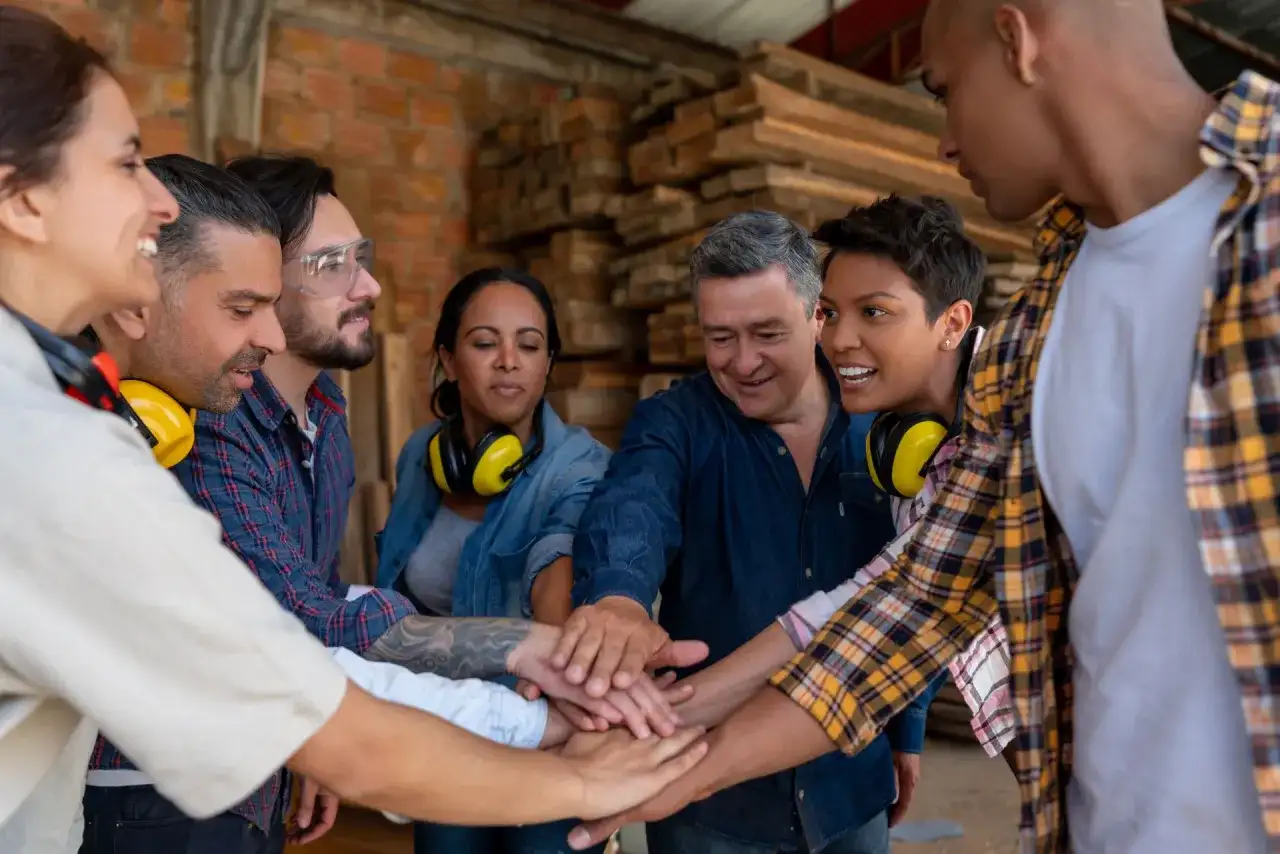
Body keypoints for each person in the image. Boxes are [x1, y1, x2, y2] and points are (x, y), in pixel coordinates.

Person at [573, 1, 1280, 852]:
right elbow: (917, 600)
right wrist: (685, 768)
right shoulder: (1034, 329)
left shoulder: (1263, 232)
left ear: (1017, 39)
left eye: (944, 89)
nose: (944, 140)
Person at [0, 8, 708, 854]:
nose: (158, 198)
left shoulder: (58, 409)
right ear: (23, 199)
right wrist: (580, 776)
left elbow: (316, 624)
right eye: (125, 164)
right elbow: (311, 696)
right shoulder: (52, 452)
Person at [77, 153, 584, 853]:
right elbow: (302, 623)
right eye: (331, 265)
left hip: (259, 762)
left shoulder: (326, 414)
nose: (368, 285)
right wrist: (532, 678)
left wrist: (312, 743)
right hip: (161, 785)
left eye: (361, 259)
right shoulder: (205, 422)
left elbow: (318, 601)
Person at [565, 195, 1018, 851]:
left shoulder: (929, 420)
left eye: (768, 334)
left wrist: (907, 729)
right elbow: (632, 508)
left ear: (812, 318)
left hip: (849, 779)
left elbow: (898, 603)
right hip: (719, 809)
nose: (743, 361)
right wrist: (618, 601)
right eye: (721, 337)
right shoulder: (678, 422)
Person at [375, 266, 664, 854]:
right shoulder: (419, 457)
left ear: (548, 362)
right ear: (448, 359)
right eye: (485, 343)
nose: (509, 361)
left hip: (546, 732)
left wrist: (557, 655)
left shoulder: (580, 467)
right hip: (443, 730)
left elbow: (556, 565)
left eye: (529, 346)